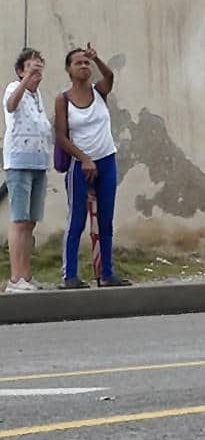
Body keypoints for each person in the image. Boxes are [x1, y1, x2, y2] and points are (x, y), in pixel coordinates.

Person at [50, 46, 124, 287]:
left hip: (106, 159)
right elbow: (61, 136)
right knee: (77, 220)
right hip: (79, 165)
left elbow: (110, 77)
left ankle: (106, 273)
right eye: (78, 63)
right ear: (68, 70)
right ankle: (69, 275)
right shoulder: (63, 100)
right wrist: (84, 158)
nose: (84, 66)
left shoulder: (99, 92)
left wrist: (97, 58)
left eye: (86, 63)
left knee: (106, 219)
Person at [5, 48, 51, 292]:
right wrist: (24, 81)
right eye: (31, 66)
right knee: (19, 220)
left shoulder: (38, 97)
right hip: (19, 162)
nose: (36, 70)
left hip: (38, 163)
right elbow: (11, 106)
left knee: (30, 222)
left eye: (39, 66)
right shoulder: (15, 88)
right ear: (21, 71)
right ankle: (15, 279)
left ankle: (26, 275)